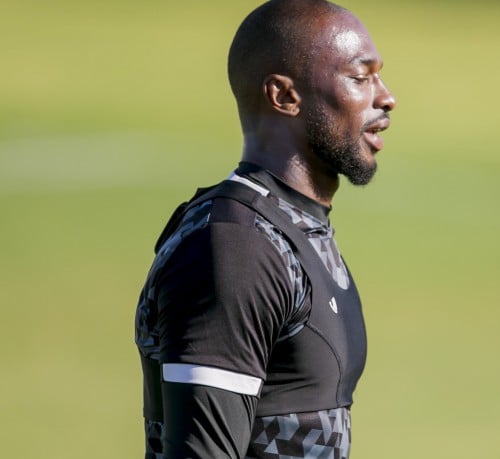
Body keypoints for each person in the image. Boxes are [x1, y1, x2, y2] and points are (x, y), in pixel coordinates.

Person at [134, 0, 396, 457]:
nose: (385, 96)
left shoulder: (296, 227)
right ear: (284, 97)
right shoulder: (237, 248)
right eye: (360, 78)